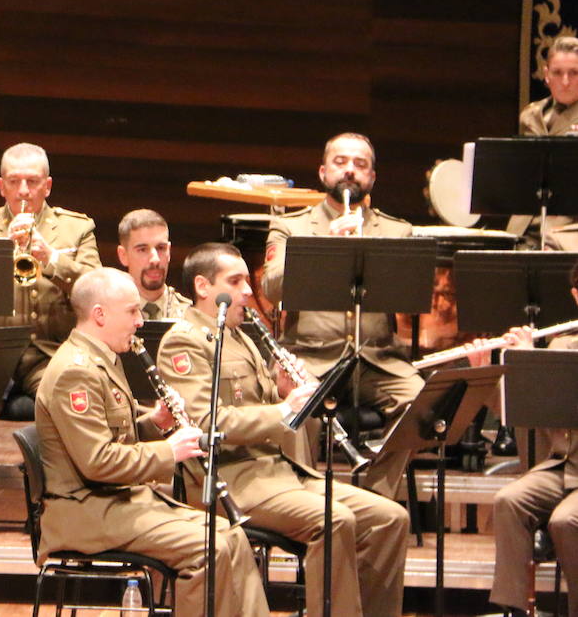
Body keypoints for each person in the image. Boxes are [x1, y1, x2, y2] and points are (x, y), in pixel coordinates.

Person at [158, 242, 409, 617]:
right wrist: (281, 410)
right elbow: (204, 423)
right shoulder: (184, 342)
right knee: (335, 519)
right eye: (236, 280)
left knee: (390, 519)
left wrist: (286, 391)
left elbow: (259, 403)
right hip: (230, 480)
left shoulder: (242, 336)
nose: (248, 291)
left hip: (278, 472)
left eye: (247, 280)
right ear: (203, 286)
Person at [35, 267, 271, 617]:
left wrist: (155, 423)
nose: (140, 321)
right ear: (99, 314)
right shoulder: (76, 371)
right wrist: (170, 451)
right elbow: (98, 461)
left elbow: (115, 436)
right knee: (207, 548)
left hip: (115, 502)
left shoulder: (103, 358)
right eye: (132, 311)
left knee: (230, 536)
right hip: (85, 512)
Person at [0, 142, 102, 537]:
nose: (22, 191)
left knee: (67, 392)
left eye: (31, 182)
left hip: (49, 350)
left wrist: (50, 257)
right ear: (1, 186)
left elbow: (95, 288)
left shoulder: (76, 228)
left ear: (47, 185)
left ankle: (49, 501)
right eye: (14, 182)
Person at [261, 132, 422, 480]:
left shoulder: (396, 231)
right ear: (322, 173)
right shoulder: (291, 226)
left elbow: (410, 298)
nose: (350, 170)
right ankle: (310, 502)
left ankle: (376, 499)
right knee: (296, 401)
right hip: (311, 356)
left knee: (419, 402)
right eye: (340, 162)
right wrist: (328, 246)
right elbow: (271, 287)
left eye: (360, 165)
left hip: (376, 359)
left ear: (372, 178)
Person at [468, 257, 578, 617]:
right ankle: (515, 609)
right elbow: (521, 413)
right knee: (509, 499)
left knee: (566, 521)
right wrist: (492, 370)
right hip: (563, 466)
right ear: (576, 295)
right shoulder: (562, 347)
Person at [510, 36, 578, 246]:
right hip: (524, 223)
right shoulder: (530, 115)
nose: (565, 81)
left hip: (568, 227)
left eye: (574, 73)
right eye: (558, 73)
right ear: (546, 74)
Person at [116, 208, 192, 320]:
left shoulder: (189, 315)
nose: (155, 259)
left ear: (169, 251)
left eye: (161, 248)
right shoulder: (111, 315)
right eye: (142, 250)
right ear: (123, 255)